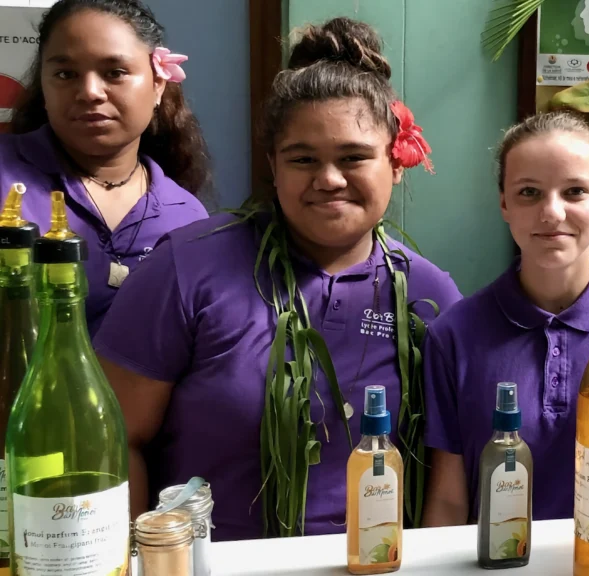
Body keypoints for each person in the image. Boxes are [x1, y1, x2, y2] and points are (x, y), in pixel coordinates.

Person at [94, 17, 462, 541]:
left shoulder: (429, 296)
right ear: (272, 164)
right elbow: (113, 438)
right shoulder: (188, 267)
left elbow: (454, 468)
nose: (329, 179)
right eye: (303, 159)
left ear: (396, 162)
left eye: (354, 157)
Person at [421, 111, 589, 525]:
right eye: (529, 192)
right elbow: (451, 501)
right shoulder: (454, 336)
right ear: (504, 202)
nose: (552, 213)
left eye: (575, 191)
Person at [0, 0, 212, 336]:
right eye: (65, 74)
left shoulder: (187, 218)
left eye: (114, 73)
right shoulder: (6, 176)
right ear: (43, 87)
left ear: (157, 84)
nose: (89, 92)